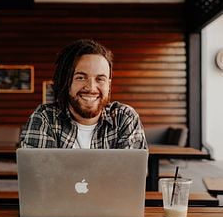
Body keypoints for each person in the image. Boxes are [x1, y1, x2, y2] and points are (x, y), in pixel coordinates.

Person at [19, 39, 147, 149]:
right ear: (66, 81)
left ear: (108, 85)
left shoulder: (125, 118)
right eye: (81, 77)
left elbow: (129, 176)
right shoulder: (45, 119)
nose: (91, 88)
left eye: (100, 79)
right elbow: (39, 176)